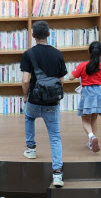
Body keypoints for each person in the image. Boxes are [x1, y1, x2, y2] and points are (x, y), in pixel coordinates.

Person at [21, 20, 67, 187]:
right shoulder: (57, 54)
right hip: (52, 104)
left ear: (33, 35)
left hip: (34, 100)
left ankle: (31, 149)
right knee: (55, 137)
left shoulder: (28, 54)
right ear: (48, 34)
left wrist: (25, 95)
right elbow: (62, 80)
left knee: (29, 117)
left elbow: (25, 80)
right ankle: (57, 174)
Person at [68, 41, 101, 153]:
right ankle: (92, 142)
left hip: (88, 93)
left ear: (88, 52)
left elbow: (70, 77)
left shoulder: (82, 65)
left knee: (85, 119)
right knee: (94, 118)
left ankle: (91, 136)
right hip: (99, 92)